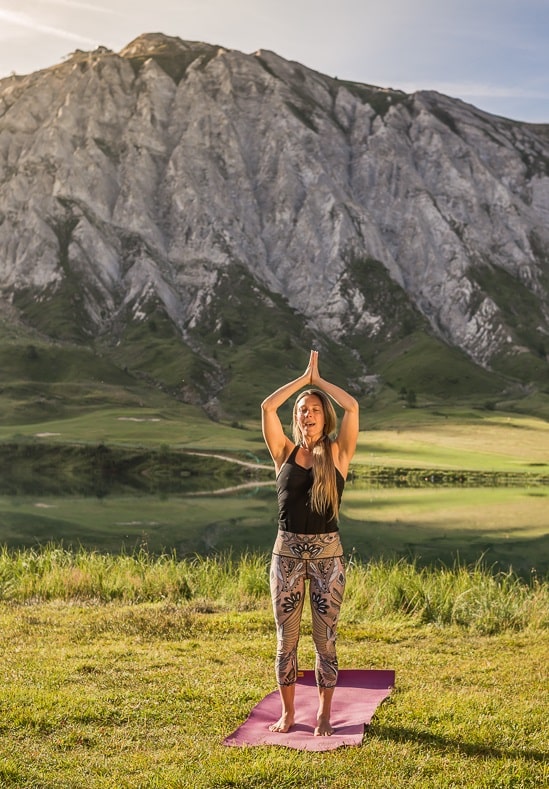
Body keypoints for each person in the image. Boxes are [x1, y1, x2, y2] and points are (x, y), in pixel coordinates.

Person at [261, 349, 359, 736]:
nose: (308, 413)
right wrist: (303, 381)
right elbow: (267, 407)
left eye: (315, 408)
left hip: (327, 557)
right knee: (286, 639)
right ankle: (288, 713)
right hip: (285, 554)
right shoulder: (284, 452)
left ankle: (323, 714)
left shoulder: (337, 453)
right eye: (303, 409)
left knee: (324, 639)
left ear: (324, 416)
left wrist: (319, 382)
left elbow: (352, 406)